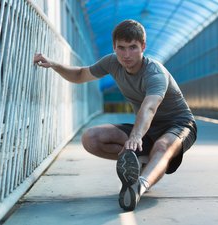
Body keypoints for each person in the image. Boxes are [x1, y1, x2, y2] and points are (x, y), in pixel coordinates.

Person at [33, 19, 197, 211]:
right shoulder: (112, 62)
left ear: (143, 46)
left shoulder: (155, 73)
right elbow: (80, 75)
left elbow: (149, 108)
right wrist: (53, 64)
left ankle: (139, 186)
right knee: (91, 138)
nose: (126, 55)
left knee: (162, 146)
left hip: (178, 125)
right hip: (147, 127)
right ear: (114, 47)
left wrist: (136, 136)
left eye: (133, 48)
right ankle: (143, 161)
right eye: (121, 48)